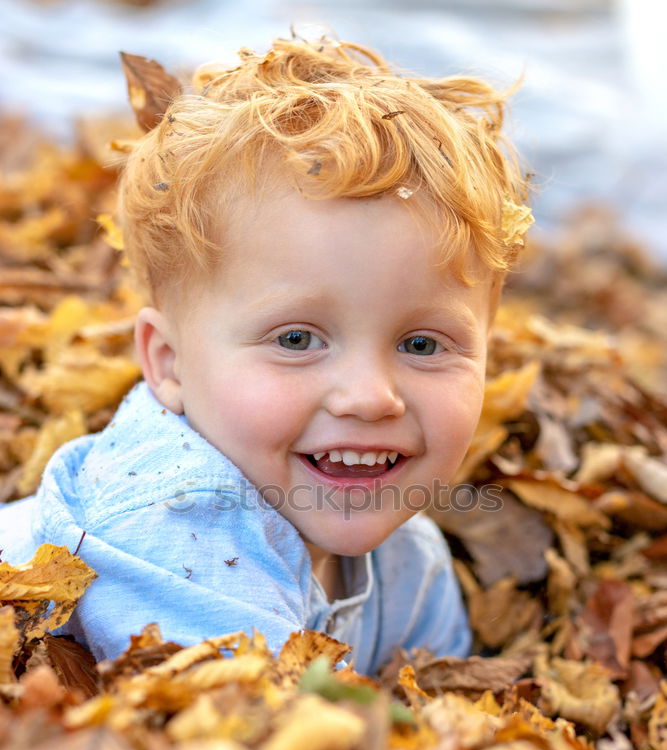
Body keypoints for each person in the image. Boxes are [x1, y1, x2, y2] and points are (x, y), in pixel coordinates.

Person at [0, 34, 532, 671]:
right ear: (169, 363)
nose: (369, 396)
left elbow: (452, 709)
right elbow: (250, 739)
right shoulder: (178, 527)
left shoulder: (406, 558)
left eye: (421, 344)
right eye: (297, 340)